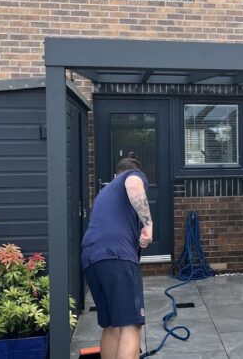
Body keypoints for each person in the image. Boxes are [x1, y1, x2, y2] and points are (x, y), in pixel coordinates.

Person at [81, 153, 153, 359]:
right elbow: (133, 184)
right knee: (131, 325)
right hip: (116, 256)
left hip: (91, 259)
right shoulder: (132, 176)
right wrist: (148, 224)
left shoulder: (104, 194)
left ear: (114, 176)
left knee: (111, 326)